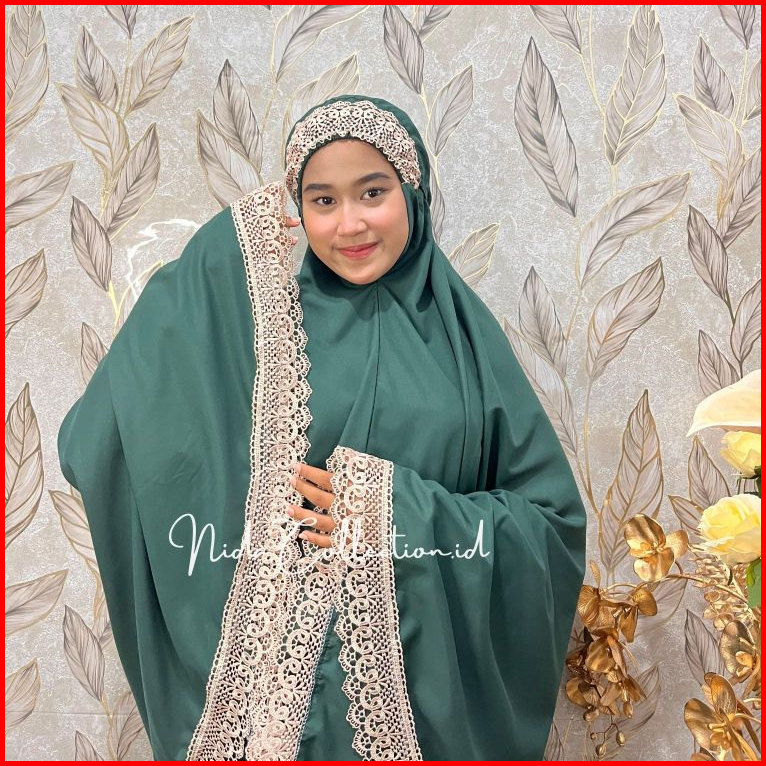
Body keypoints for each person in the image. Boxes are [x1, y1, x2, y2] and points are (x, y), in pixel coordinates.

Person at [57, 94, 587, 761]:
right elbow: (100, 433)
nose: (349, 223)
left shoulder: (466, 347)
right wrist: (212, 260)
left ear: (413, 192)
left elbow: (551, 527)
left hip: (420, 707)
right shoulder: (267, 333)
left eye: (372, 192)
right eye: (323, 200)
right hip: (283, 723)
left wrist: (398, 511)